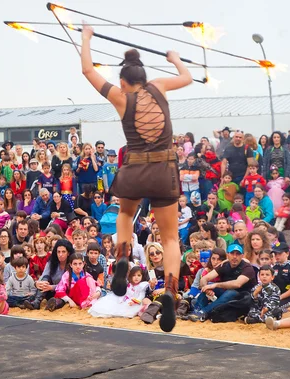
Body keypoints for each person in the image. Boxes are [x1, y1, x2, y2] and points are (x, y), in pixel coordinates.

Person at [81, 25, 192, 332]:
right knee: (170, 238)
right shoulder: (159, 86)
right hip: (164, 171)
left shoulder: (120, 97)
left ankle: (121, 257)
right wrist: (175, 58)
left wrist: (86, 38)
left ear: (123, 80)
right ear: (144, 78)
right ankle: (169, 290)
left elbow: (87, 70)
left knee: (125, 214)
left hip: (135, 168)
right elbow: (187, 78)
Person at [189, 243, 257, 321]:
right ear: (228, 255)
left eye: (238, 254)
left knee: (230, 292)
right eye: (232, 253)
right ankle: (197, 311)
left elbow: (237, 284)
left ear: (242, 256)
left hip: (244, 297)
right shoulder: (224, 265)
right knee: (207, 287)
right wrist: (207, 289)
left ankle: (203, 312)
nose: (235, 257)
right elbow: (204, 279)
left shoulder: (247, 268)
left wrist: (215, 285)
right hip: (228, 294)